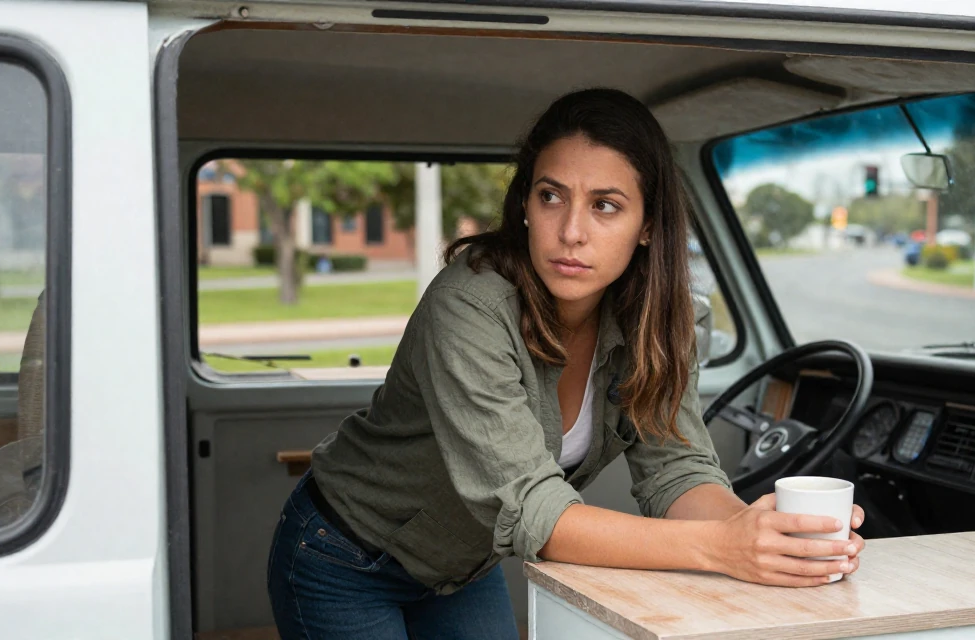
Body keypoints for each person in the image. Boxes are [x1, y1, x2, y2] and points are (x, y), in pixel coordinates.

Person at [266, 88, 866, 639]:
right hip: (345, 554)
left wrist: (765, 540)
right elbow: (535, 511)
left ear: (647, 226)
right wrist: (722, 548)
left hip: (461, 566)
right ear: (525, 205)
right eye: (551, 196)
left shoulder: (660, 321)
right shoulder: (471, 304)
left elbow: (677, 469)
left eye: (605, 205)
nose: (571, 232)